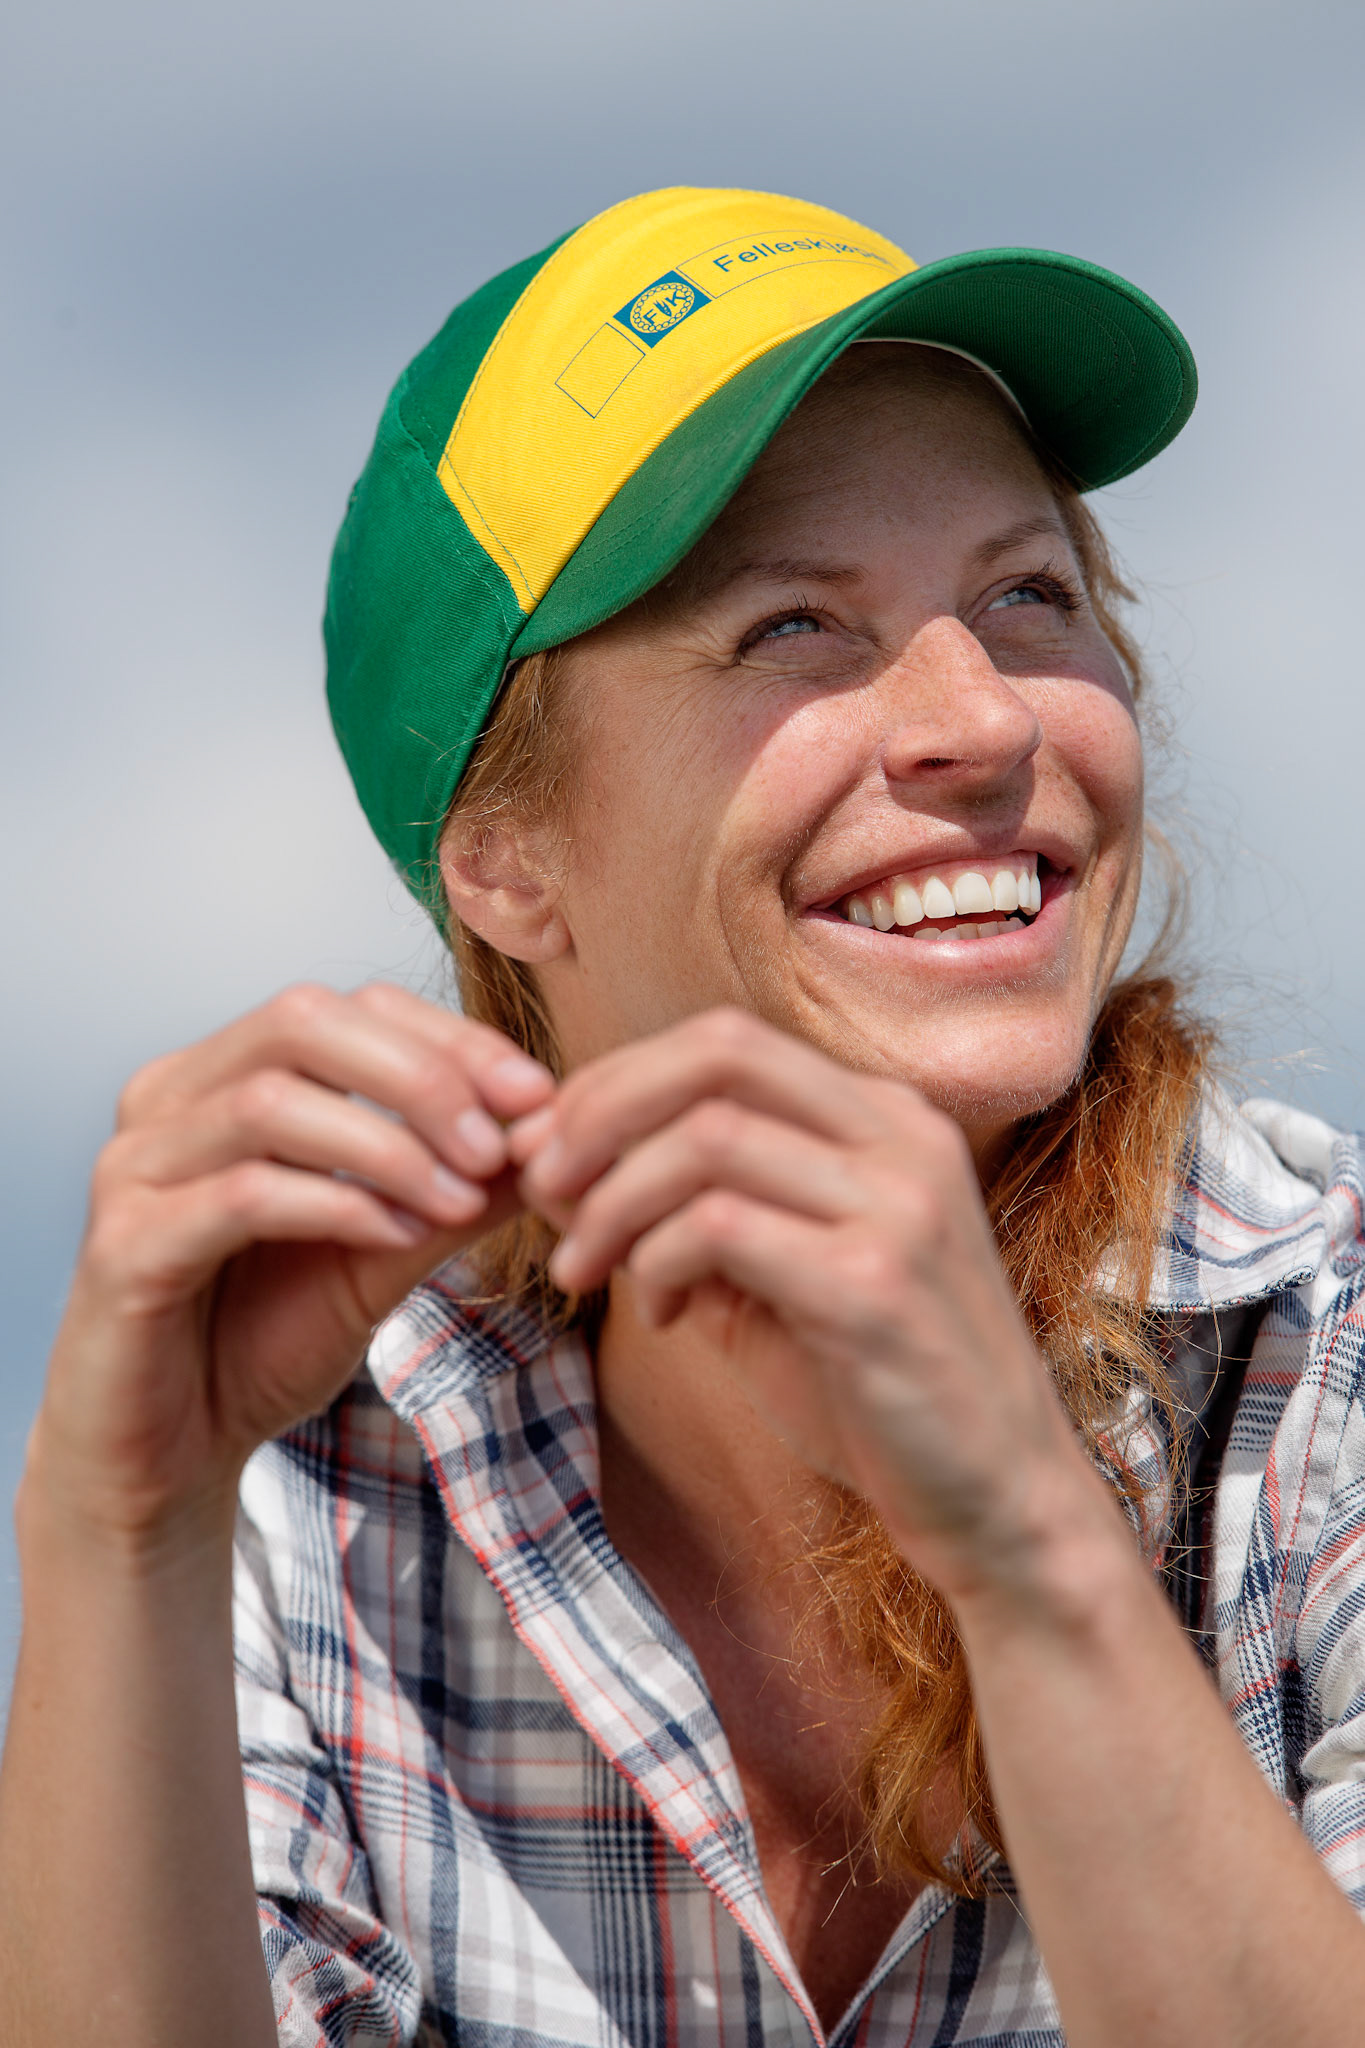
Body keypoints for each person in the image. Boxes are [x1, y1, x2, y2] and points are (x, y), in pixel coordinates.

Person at [2, 185, 1363, 2048]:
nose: (977, 720)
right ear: (502, 858)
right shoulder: (311, 1474)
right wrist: (118, 1532)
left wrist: (1031, 1553)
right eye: (792, 625)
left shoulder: (1330, 1360)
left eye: (1027, 594)